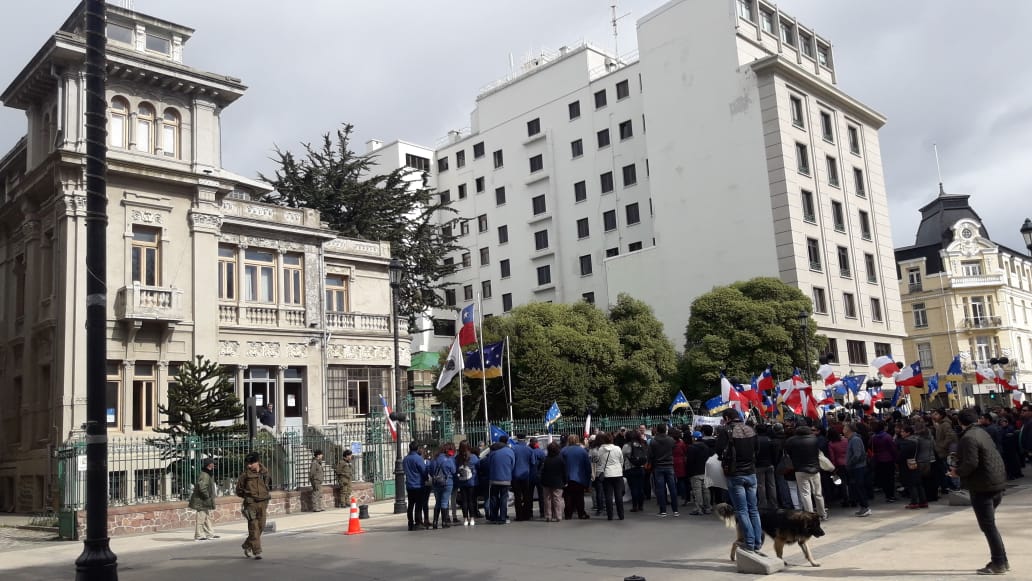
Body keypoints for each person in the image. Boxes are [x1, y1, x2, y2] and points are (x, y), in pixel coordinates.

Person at [951, 409, 1009, 575]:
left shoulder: (968, 437)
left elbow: (971, 463)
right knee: (990, 526)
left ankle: (998, 563)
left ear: (960, 422)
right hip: (996, 482)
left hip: (983, 486)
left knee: (988, 527)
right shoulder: (982, 432)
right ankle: (1002, 560)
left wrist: (957, 472)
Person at [715, 409, 761, 553]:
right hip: (751, 473)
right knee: (753, 509)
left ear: (727, 418)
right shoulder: (750, 429)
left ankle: (749, 542)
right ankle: (757, 542)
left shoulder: (725, 431)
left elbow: (719, 451)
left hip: (735, 474)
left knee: (742, 511)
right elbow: (757, 450)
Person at [784, 424, 827, 519]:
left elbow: (789, 454)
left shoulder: (791, 441)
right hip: (815, 469)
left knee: (805, 494)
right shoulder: (814, 439)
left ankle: (810, 516)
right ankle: (822, 513)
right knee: (818, 493)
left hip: (800, 470)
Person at [236, 452, 271, 560]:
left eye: (251, 463)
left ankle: (247, 545)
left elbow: (269, 485)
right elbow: (238, 491)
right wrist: (248, 496)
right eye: (247, 463)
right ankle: (257, 551)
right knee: (253, 528)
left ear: (257, 462)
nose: (248, 466)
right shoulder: (245, 476)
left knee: (261, 526)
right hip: (250, 504)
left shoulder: (265, 473)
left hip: (263, 503)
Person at [648, 423, 678, 517]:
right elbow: (674, 448)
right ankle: (675, 510)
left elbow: (650, 455)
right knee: (672, 488)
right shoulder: (671, 440)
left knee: (660, 489)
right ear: (666, 430)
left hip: (658, 466)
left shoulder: (652, 441)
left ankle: (663, 510)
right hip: (669, 465)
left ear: (657, 430)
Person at [843, 422, 871, 517]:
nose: (843, 430)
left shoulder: (855, 440)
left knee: (859, 487)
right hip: (856, 467)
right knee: (857, 487)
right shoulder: (851, 439)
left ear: (849, 430)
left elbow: (857, 455)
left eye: (844, 428)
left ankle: (865, 507)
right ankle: (863, 507)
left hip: (858, 467)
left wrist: (849, 463)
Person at [561, 434, 592, 519]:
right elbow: (587, 466)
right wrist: (588, 479)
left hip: (567, 477)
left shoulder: (563, 451)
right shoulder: (582, 451)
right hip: (579, 477)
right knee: (579, 496)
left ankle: (568, 514)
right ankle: (581, 513)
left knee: (567, 496)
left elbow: (560, 464)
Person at [486, 435, 515, 524]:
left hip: (494, 478)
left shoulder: (493, 451)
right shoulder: (509, 451)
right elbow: (512, 464)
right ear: (507, 441)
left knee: (493, 497)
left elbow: (488, 463)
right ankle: (503, 517)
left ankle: (493, 516)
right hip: (505, 478)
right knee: (503, 498)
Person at [189, 458, 219, 541]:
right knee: (201, 518)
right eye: (213, 463)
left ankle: (210, 534)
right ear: (209, 465)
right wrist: (207, 496)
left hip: (204, 500)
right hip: (201, 501)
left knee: (206, 518)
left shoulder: (208, 474)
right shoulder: (205, 475)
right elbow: (202, 488)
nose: (214, 465)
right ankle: (198, 536)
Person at [597, 432, 625, 520]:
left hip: (607, 473)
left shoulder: (601, 449)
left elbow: (600, 461)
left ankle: (610, 515)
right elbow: (621, 460)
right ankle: (621, 515)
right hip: (617, 473)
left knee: (608, 496)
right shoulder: (617, 448)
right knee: (618, 495)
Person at [898, 425, 927, 509]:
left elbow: (902, 455)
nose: (901, 433)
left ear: (908, 433)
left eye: (903, 431)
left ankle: (914, 502)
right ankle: (923, 501)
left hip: (908, 464)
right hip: (917, 462)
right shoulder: (919, 440)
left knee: (912, 484)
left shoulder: (908, 443)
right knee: (918, 483)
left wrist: (898, 459)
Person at [429, 442, 456, 529]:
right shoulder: (449, 460)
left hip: (436, 483)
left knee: (438, 502)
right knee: (444, 502)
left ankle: (435, 522)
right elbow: (454, 471)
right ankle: (444, 522)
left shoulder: (434, 460)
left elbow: (430, 471)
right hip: (447, 482)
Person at [685, 431, 713, 515]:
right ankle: (708, 507)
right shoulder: (706, 447)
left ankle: (698, 509)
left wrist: (688, 473)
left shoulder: (691, 448)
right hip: (705, 471)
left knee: (697, 491)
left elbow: (689, 461)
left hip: (695, 473)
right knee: (706, 490)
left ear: (694, 438)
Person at [539, 441, 567, 522]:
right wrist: (565, 481)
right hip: (558, 482)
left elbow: (542, 471)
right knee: (557, 499)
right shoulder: (561, 459)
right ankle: (558, 516)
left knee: (547, 500)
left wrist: (541, 480)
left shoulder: (545, 459)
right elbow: (564, 471)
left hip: (546, 482)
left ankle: (548, 516)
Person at [402, 442, 428, 531]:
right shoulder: (418, 458)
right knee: (418, 505)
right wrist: (426, 478)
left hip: (409, 484)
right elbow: (423, 470)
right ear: (417, 449)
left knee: (410, 504)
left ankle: (410, 522)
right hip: (418, 484)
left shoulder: (405, 459)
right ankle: (418, 522)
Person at [454, 441, 479, 526]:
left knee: (464, 501)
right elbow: (478, 466)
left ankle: (465, 519)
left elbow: (455, 469)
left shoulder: (457, 458)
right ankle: (472, 518)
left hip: (462, 481)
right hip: (471, 482)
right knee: (471, 500)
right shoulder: (473, 457)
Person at [622, 430, 648, 512]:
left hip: (631, 469)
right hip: (641, 468)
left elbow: (622, 457)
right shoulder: (641, 444)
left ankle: (635, 506)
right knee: (640, 487)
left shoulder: (626, 446)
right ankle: (641, 505)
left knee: (633, 488)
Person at [753, 424, 778, 510]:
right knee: (772, 485)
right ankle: (774, 504)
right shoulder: (770, 440)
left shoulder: (755, 440)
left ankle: (763, 505)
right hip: (770, 465)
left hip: (759, 465)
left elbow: (754, 453)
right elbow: (774, 453)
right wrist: (773, 463)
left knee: (761, 485)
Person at [511, 434, 535, 521]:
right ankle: (527, 514)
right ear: (525, 438)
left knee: (517, 496)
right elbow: (533, 462)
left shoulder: (513, 448)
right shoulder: (529, 449)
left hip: (515, 475)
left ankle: (519, 515)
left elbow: (511, 462)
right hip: (525, 475)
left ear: (517, 438)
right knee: (526, 496)